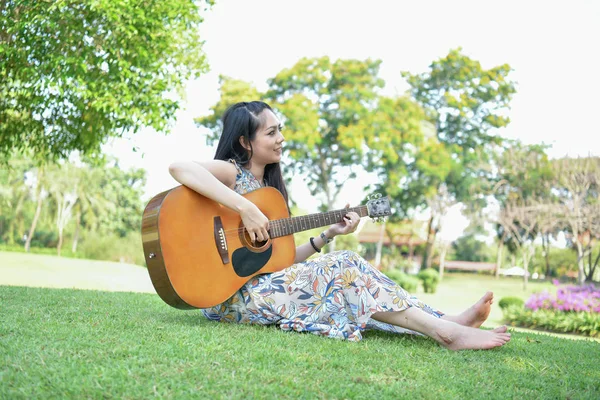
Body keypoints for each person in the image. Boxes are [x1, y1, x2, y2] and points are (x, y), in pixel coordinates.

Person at [168, 101, 511, 350]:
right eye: (272, 132)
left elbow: (279, 262)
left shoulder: (271, 196)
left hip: (263, 288)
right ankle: (446, 333)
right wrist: (243, 207)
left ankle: (446, 320)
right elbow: (179, 167)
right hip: (230, 298)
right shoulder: (232, 173)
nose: (281, 138)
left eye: (281, 130)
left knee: (347, 269)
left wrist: (327, 235)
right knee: (346, 266)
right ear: (246, 142)